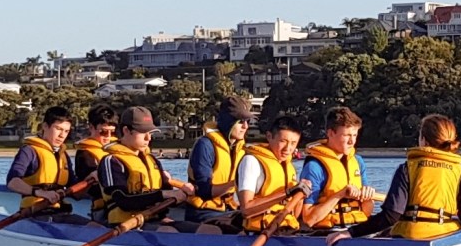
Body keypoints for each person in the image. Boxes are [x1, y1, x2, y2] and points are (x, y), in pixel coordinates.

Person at [326, 113, 461, 246]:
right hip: (446, 240)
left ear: (423, 140)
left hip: (410, 240)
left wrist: (351, 232)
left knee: (382, 234)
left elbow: (391, 215)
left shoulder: (407, 168)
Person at [97, 106, 199, 231]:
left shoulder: (152, 160)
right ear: (126, 130)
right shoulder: (111, 161)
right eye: (143, 133)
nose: (148, 138)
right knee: (168, 232)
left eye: (150, 133)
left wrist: (172, 187)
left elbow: (162, 194)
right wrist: (165, 194)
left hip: (155, 219)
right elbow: (123, 201)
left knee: (205, 229)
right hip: (126, 224)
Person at [299, 106, 376, 231]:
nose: (352, 141)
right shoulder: (314, 167)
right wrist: (340, 195)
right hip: (327, 232)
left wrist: (368, 198)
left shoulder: (358, 162)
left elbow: (366, 212)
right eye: (347, 135)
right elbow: (308, 218)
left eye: (355, 135)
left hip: (356, 229)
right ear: (330, 133)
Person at [6, 106, 87, 222]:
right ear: (45, 126)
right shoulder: (29, 151)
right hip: (35, 213)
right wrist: (40, 193)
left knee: (95, 226)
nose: (62, 135)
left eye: (66, 131)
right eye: (58, 129)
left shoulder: (63, 155)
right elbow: (12, 182)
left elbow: (76, 191)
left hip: (59, 211)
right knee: (93, 227)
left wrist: (92, 179)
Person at [184, 95, 256, 224]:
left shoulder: (241, 149)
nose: (245, 126)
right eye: (240, 121)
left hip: (228, 208)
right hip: (202, 212)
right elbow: (204, 192)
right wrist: (237, 182)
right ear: (228, 121)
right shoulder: (205, 145)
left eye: (247, 121)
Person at [235, 115, 309, 235]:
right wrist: (287, 193)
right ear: (269, 136)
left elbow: (294, 213)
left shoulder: (289, 167)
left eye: (293, 143)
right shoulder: (251, 162)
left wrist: (300, 195)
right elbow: (246, 210)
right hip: (259, 233)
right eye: (283, 141)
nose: (288, 149)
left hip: (287, 231)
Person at [74, 103, 118, 220]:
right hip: (103, 209)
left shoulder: (119, 149)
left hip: (124, 202)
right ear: (91, 127)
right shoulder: (85, 154)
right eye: (103, 132)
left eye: (112, 132)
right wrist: (94, 174)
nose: (108, 137)